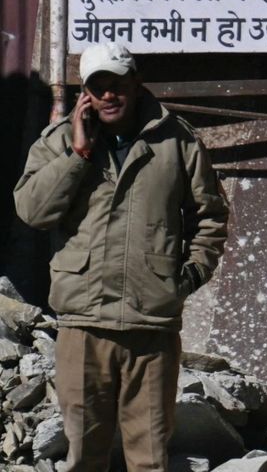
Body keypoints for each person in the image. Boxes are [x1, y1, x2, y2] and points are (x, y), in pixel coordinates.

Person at [13, 42, 228, 471]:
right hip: (83, 326)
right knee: (84, 457)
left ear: (136, 83)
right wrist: (78, 154)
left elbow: (210, 218)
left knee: (148, 457)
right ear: (85, 94)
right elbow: (33, 211)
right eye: (98, 87)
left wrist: (183, 279)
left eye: (117, 84)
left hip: (151, 329)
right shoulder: (59, 144)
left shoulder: (177, 142)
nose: (109, 96)